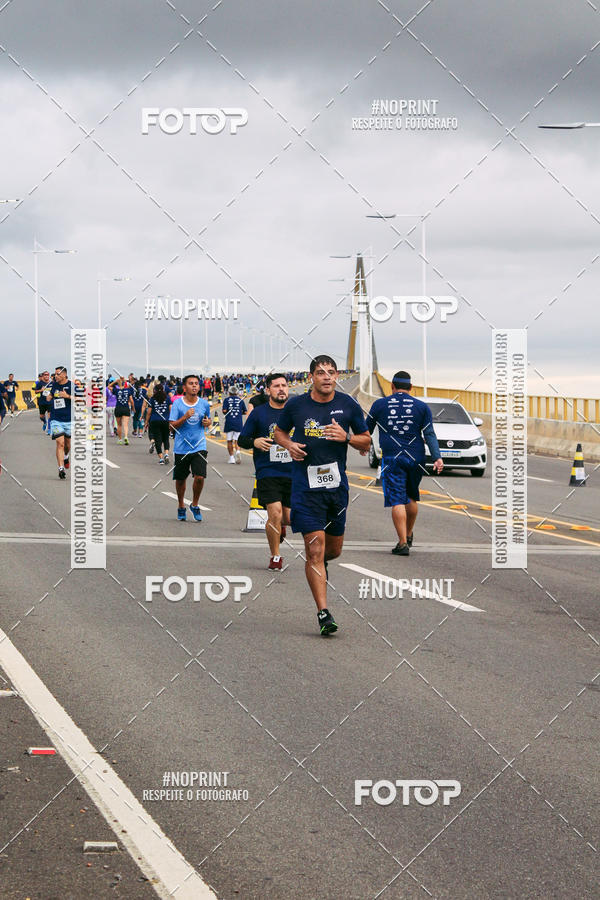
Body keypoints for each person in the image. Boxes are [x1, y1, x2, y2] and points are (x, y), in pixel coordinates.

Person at [274, 355, 370, 636]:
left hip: (336, 490)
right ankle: (323, 612)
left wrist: (348, 438)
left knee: (333, 550)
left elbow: (366, 440)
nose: (326, 377)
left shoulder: (347, 404)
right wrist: (289, 444)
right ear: (312, 377)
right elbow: (280, 432)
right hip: (305, 488)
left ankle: (320, 564)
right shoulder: (297, 404)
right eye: (320, 372)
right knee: (314, 550)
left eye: (331, 372)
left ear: (337, 376)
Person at [367, 371, 443, 556]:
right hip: (416, 458)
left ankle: (402, 543)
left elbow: (366, 428)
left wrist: (363, 445)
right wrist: (437, 457)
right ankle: (408, 534)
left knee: (397, 500)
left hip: (392, 457)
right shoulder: (421, 407)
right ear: (411, 388)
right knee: (411, 496)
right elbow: (430, 434)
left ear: (392, 387)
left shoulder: (379, 405)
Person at [238, 373, 292, 570]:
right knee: (275, 514)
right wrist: (254, 441)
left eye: (284, 385)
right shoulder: (259, 413)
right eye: (276, 386)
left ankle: (281, 528)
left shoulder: (296, 412)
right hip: (268, 471)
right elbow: (242, 440)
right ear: (268, 390)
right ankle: (275, 556)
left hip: (294, 472)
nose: (281, 389)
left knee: (288, 517)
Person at [169, 374, 211, 521]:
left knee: (200, 477)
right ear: (184, 387)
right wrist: (185, 417)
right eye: (191, 383)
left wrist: (208, 423)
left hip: (199, 445)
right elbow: (171, 426)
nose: (194, 386)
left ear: (199, 387)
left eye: (196, 384)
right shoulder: (178, 404)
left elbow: (207, 419)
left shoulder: (204, 404)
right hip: (181, 447)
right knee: (180, 480)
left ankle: (194, 504)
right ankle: (181, 505)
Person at [49, 366, 72, 479]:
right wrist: (49, 396)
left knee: (67, 445)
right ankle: (61, 468)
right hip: (56, 419)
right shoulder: (54, 385)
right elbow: (51, 395)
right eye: (55, 374)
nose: (56, 376)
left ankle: (66, 456)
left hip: (69, 420)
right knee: (60, 443)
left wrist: (67, 396)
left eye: (58, 374)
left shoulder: (72, 385)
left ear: (64, 374)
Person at [143, 383, 171, 464]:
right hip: (165, 420)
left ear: (154, 390)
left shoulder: (152, 399)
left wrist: (146, 422)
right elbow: (171, 409)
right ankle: (166, 454)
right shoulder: (167, 398)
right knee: (166, 438)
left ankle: (161, 458)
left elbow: (149, 412)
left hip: (155, 421)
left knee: (158, 439)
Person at [222, 385, 247, 464]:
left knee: (229, 441)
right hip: (238, 423)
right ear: (236, 392)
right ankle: (238, 452)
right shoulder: (240, 400)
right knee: (237, 440)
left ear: (229, 392)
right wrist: (240, 412)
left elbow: (224, 410)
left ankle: (231, 458)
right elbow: (245, 412)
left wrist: (226, 412)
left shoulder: (226, 400)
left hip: (229, 422)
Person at [112, 376, 134, 444]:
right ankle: (126, 437)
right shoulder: (128, 390)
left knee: (119, 425)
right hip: (126, 408)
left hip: (118, 407)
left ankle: (120, 439)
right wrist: (133, 408)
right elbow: (131, 400)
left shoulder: (116, 390)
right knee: (125, 425)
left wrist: (115, 381)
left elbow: (109, 386)